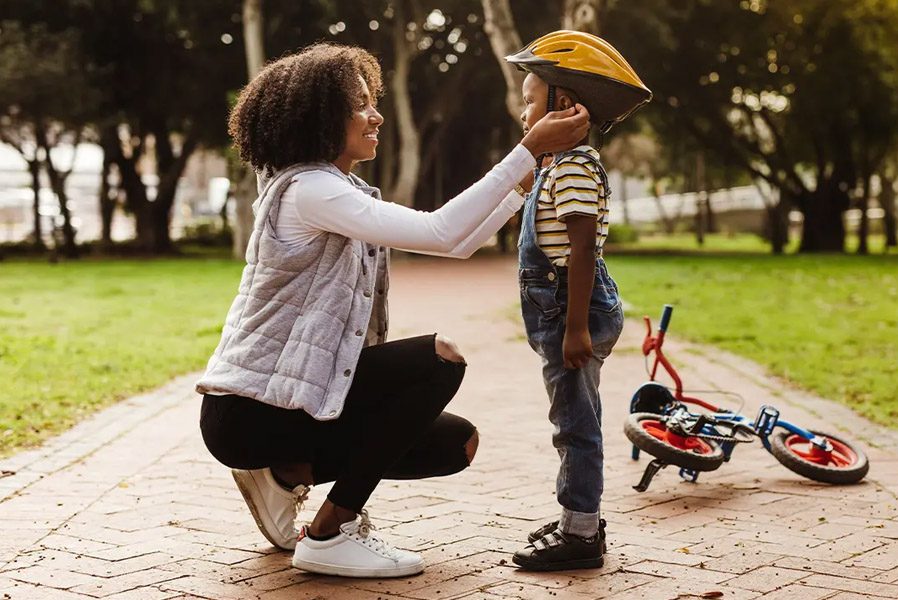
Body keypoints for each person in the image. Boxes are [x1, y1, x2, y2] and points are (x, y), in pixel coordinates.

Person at [195, 42, 590, 579]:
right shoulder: (309, 190)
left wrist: (530, 169)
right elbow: (441, 231)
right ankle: (331, 534)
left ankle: (288, 474)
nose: (375, 114)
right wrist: (526, 149)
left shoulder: (337, 187)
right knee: (440, 359)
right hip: (248, 411)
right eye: (361, 104)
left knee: (456, 443)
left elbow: (461, 241)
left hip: (290, 402)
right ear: (321, 116)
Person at [503, 31, 652, 571]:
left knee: (575, 423)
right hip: (567, 308)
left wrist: (574, 330)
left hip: (574, 309)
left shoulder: (571, 166)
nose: (522, 114)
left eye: (528, 101)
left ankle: (581, 532)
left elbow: (583, 248)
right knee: (574, 414)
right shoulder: (554, 165)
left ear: (563, 104)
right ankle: (576, 519)